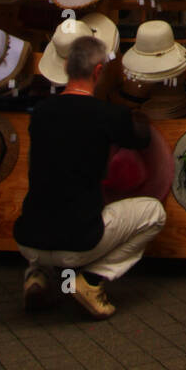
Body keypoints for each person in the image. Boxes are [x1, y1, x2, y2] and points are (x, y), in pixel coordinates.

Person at [14, 34, 165, 320]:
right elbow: (140, 139)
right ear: (98, 72)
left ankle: (38, 275)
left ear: (67, 68)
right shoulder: (107, 115)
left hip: (28, 239)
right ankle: (91, 281)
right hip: (80, 241)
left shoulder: (41, 112)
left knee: (49, 199)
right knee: (154, 214)